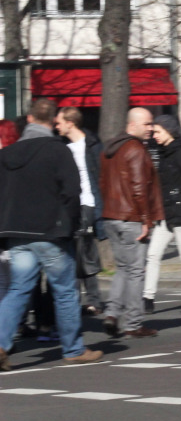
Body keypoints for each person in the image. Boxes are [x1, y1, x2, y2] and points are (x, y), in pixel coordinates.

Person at [0, 98, 102, 369]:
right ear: (52, 122)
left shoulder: (7, 155)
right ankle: (73, 348)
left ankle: (1, 343)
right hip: (51, 232)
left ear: (30, 120)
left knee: (18, 289)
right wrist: (69, 224)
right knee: (65, 291)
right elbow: (72, 191)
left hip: (16, 233)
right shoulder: (58, 151)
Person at [99, 107, 163, 338]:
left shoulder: (110, 149)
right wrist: (146, 220)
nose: (151, 128)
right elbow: (139, 186)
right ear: (132, 125)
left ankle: (112, 313)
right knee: (136, 271)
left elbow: (102, 183)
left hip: (111, 216)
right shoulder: (136, 149)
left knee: (123, 269)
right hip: (132, 218)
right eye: (147, 124)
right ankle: (133, 323)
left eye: (151, 124)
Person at [141, 114, 181, 314]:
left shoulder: (178, 153)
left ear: (169, 131)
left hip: (179, 211)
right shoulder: (161, 152)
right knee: (153, 254)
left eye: (158, 131)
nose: (155, 135)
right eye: (154, 132)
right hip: (165, 212)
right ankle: (147, 298)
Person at [53, 107, 105, 315]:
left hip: (87, 204)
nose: (56, 126)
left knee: (83, 251)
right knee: (76, 252)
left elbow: (101, 175)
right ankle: (86, 300)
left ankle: (92, 300)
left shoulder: (92, 145)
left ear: (70, 123)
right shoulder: (62, 147)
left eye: (59, 122)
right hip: (69, 205)